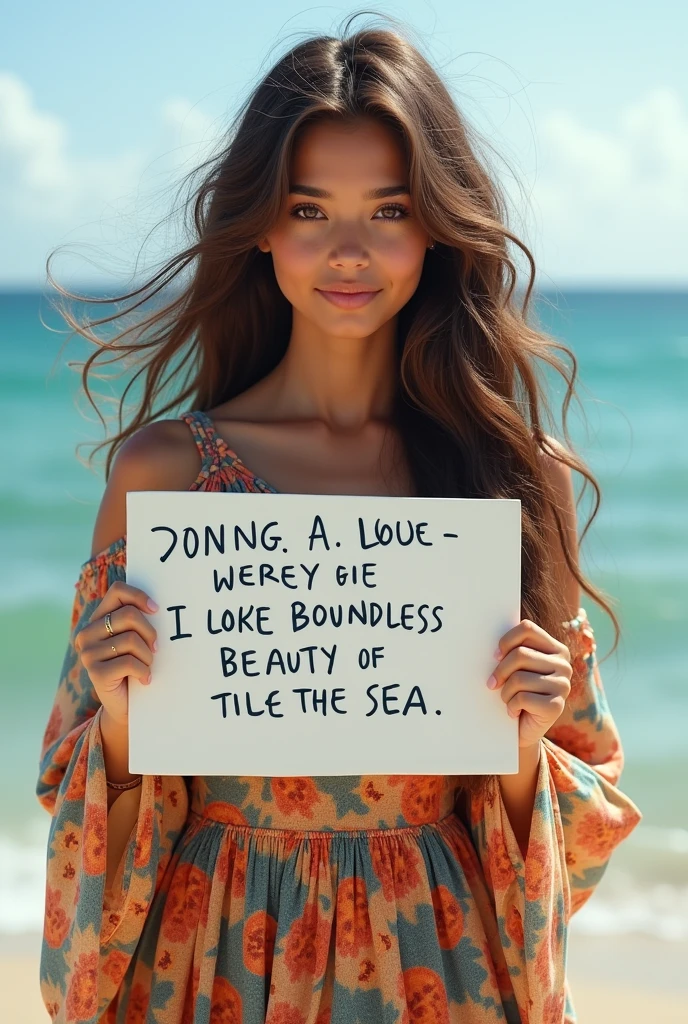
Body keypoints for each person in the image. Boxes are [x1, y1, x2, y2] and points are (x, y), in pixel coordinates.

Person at [36, 15, 642, 1024]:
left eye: (388, 209)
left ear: (435, 227)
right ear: (262, 227)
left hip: (438, 964)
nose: (347, 251)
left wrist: (527, 744)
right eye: (309, 210)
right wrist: (123, 718)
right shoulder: (165, 475)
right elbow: (74, 807)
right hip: (214, 951)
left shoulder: (507, 480)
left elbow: (577, 842)